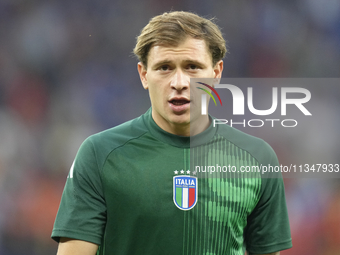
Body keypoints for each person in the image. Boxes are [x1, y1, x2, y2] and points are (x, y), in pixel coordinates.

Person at [52, 11, 292, 255]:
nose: (179, 82)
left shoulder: (257, 158)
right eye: (164, 67)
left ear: (216, 73)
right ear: (144, 75)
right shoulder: (99, 154)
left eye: (193, 67)